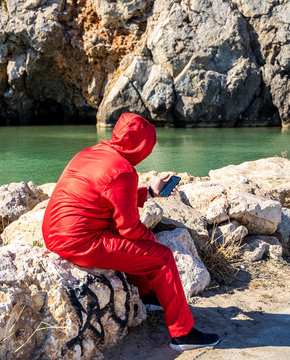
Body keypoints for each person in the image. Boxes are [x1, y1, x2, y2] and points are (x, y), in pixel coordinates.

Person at [41, 113, 220, 351]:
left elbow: (107, 193)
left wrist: (149, 192)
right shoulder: (124, 171)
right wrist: (150, 241)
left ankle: (146, 295)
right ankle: (183, 333)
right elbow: (129, 229)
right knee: (162, 258)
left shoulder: (92, 153)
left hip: (55, 231)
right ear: (142, 147)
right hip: (80, 241)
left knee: (135, 244)